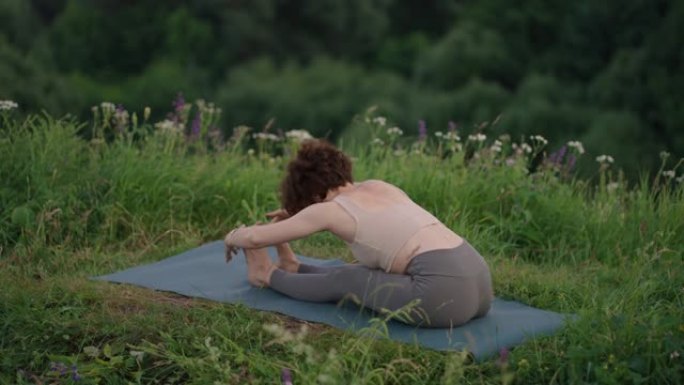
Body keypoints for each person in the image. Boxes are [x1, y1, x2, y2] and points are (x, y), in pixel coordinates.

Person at [224, 139, 493, 328]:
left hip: (442, 296)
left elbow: (254, 238)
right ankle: (293, 267)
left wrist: (233, 235)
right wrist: (297, 213)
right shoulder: (378, 186)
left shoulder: (329, 210)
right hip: (480, 282)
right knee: (365, 274)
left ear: (313, 194)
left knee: (349, 278)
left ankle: (267, 274)